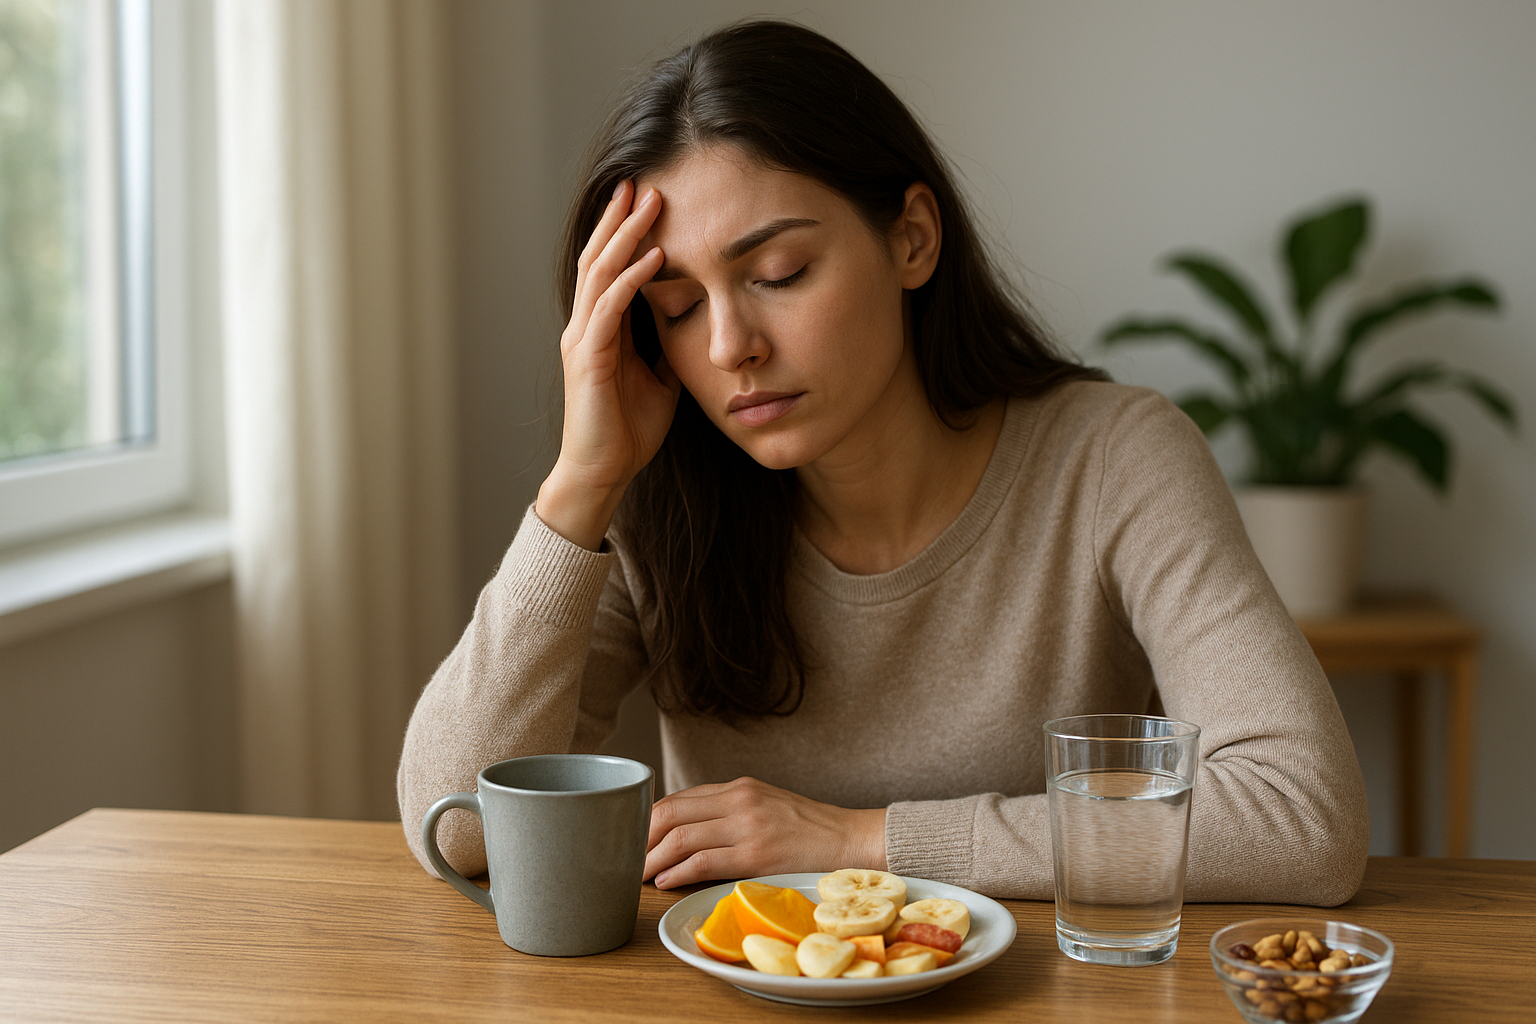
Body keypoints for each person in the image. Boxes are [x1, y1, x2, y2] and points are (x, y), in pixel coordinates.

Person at [397, 20, 1369, 904]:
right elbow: (455, 823)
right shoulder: (663, 500)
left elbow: (1303, 820)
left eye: (777, 274)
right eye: (681, 307)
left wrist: (856, 838)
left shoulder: (1114, 460)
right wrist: (579, 489)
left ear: (912, 237)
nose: (731, 344)